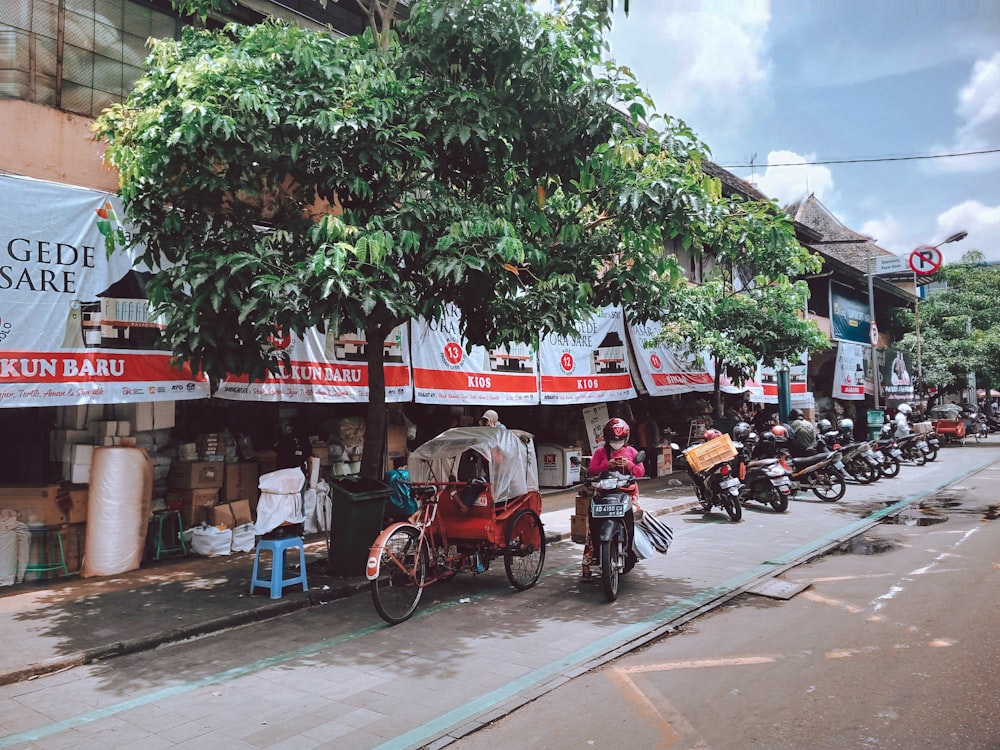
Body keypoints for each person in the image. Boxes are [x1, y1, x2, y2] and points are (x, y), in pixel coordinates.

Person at [582, 418, 645, 580]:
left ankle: (634, 550)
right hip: (604, 493)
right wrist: (606, 466)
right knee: (592, 527)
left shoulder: (631, 451)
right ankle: (589, 563)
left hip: (627, 493)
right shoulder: (600, 453)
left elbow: (640, 472)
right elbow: (591, 471)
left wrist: (629, 465)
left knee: (637, 520)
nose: (616, 443)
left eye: (620, 440)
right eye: (613, 440)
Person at [384, 456, 417, 523]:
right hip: (408, 508)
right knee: (423, 506)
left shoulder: (387, 474)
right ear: (405, 465)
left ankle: (390, 519)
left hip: (390, 508)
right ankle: (412, 518)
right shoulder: (407, 474)